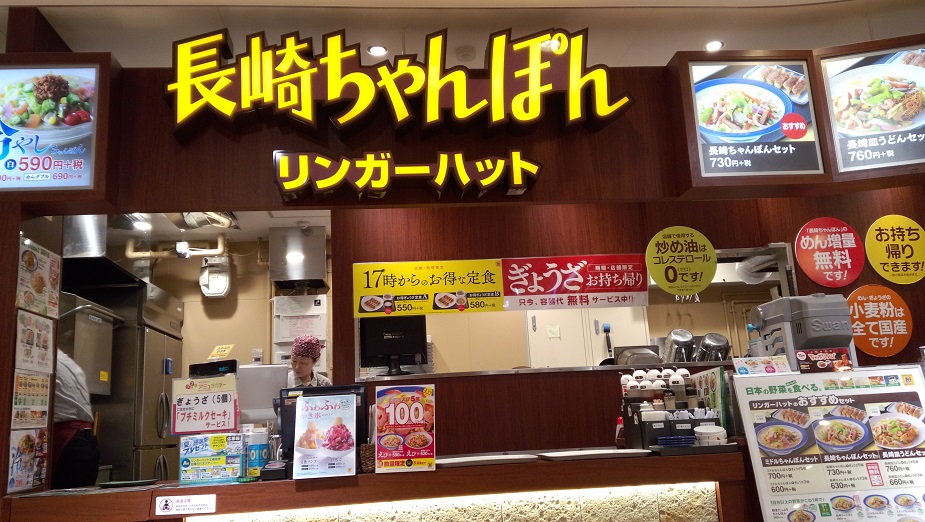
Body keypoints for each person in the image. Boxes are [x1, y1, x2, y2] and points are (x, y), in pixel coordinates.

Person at [52, 349, 100, 489]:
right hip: (87, 440)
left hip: (69, 443)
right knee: (79, 500)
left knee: (62, 501)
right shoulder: (66, 360)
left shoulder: (44, 357)